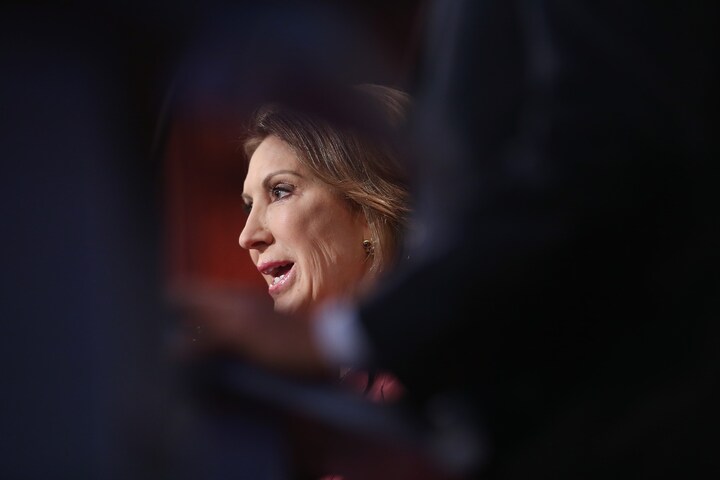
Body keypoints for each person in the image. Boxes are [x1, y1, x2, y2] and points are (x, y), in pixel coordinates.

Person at [180, 1, 720, 479]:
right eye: (247, 204)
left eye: (280, 191)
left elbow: (601, 158)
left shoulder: (435, 394)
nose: (247, 236)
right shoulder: (297, 408)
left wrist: (335, 340)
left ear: (370, 211)